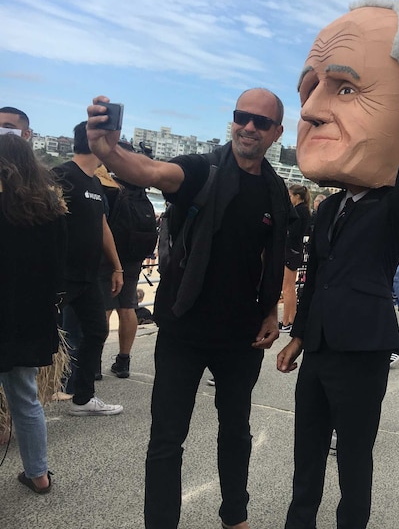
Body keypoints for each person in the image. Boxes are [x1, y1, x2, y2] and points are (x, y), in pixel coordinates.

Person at [276, 0, 399, 529]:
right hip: (320, 348)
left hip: (362, 348)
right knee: (305, 454)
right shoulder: (331, 205)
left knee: (355, 457)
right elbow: (317, 273)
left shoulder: (393, 208)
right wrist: (298, 335)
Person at [86, 88, 292, 529]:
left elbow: (271, 261)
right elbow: (149, 170)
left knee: (236, 432)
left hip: (241, 337)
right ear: (233, 121)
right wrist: (109, 149)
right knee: (166, 439)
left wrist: (272, 312)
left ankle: (235, 517)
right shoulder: (203, 170)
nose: (248, 127)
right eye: (242, 117)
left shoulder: (276, 192)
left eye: (260, 122)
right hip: (184, 329)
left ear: (276, 132)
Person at [0, 132, 67, 494]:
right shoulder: (49, 208)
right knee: (25, 398)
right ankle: (38, 474)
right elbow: (59, 268)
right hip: (28, 318)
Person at [53, 121, 124, 416]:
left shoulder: (95, 181)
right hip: (58, 277)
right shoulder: (61, 176)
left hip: (88, 276)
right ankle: (23, 400)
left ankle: (82, 397)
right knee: (38, 337)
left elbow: (102, 225)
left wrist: (117, 267)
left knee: (97, 331)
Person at [102, 140, 158, 378]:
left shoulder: (109, 185)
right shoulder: (138, 186)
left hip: (108, 256)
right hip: (133, 258)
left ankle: (93, 362)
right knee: (128, 308)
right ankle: (123, 360)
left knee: (103, 309)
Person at [281, 184, 312, 332]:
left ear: (297, 196)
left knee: (288, 288)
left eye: (290, 196)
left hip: (291, 251)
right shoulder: (304, 211)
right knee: (289, 288)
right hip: (295, 251)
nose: (289, 198)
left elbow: (292, 234)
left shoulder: (298, 212)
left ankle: (289, 320)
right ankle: (288, 319)